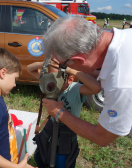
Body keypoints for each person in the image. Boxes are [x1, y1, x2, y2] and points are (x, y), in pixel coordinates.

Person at [41, 16, 132, 148]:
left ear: (79, 59)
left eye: (63, 65)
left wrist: (59, 112)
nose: (64, 69)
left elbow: (102, 137)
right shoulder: (123, 38)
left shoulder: (121, 83)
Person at [27, 60, 101, 168]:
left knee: (63, 163)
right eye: (49, 76)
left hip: (68, 132)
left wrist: (70, 70)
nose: (50, 83)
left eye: (55, 78)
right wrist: (47, 63)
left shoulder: (76, 89)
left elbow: (96, 87)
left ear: (69, 79)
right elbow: (30, 68)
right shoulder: (49, 83)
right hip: (50, 130)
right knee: (44, 157)